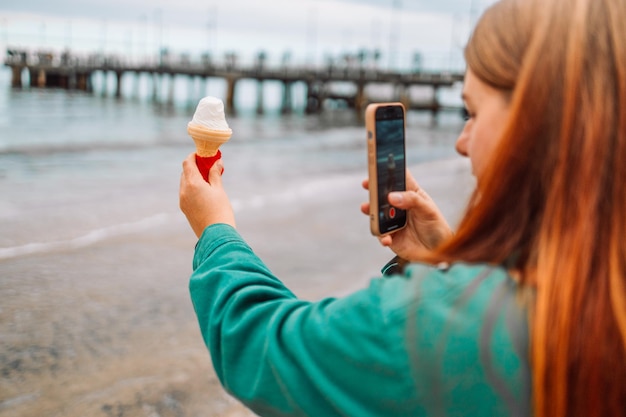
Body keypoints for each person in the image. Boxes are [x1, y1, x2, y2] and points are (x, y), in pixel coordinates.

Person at [179, 0, 626, 415]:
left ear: (534, 119)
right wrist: (448, 259)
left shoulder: (444, 326)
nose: (462, 142)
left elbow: (264, 348)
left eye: (472, 112)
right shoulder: (597, 285)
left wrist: (216, 230)